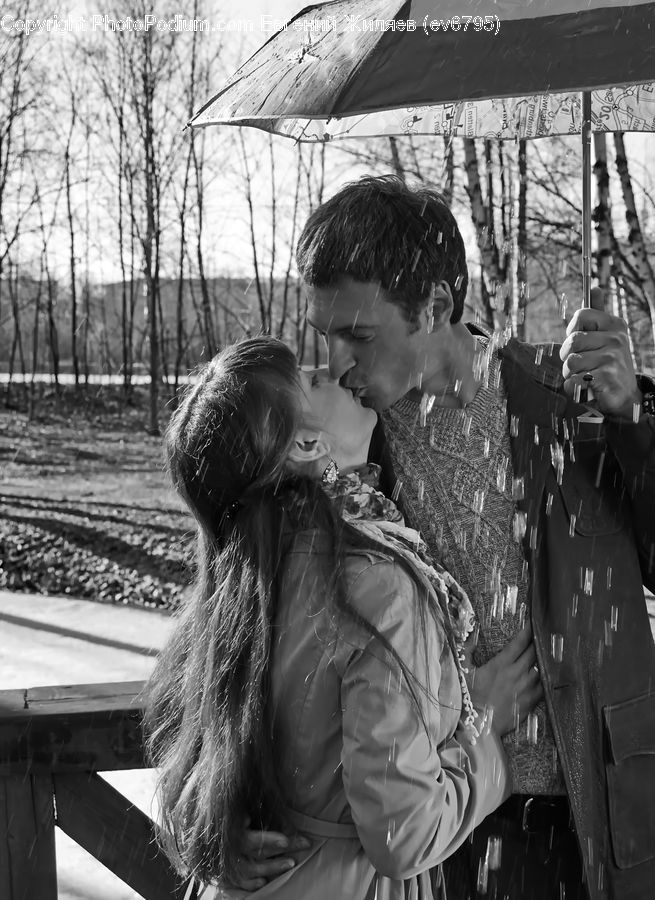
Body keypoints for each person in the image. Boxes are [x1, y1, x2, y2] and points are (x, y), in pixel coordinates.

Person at [235, 177, 655, 900]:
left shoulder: (570, 401)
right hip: (438, 839)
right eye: (325, 334)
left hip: (600, 828)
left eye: (357, 335)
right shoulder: (343, 445)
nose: (335, 361)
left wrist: (633, 423)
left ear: (433, 304)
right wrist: (222, 806)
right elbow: (246, 619)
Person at [143, 335, 543, 900]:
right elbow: (404, 834)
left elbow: (208, 750)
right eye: (311, 378)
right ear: (307, 443)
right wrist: (487, 726)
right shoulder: (374, 586)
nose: (334, 368)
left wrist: (205, 829)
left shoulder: (243, 582)